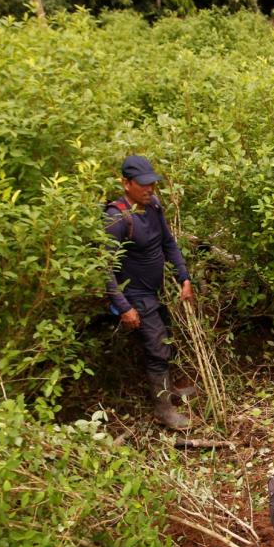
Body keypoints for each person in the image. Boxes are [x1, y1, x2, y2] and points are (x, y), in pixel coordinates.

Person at [104, 155, 195, 430]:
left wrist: (184, 277)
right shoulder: (117, 218)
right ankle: (163, 410)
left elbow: (168, 242)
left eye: (152, 184)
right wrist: (124, 307)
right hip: (136, 295)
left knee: (167, 339)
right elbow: (104, 268)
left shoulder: (153, 205)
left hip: (155, 291)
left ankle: (170, 391)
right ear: (126, 183)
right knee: (157, 349)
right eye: (143, 185)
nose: (149, 189)